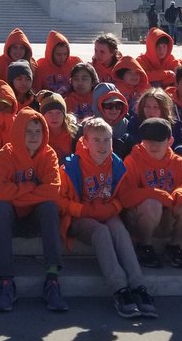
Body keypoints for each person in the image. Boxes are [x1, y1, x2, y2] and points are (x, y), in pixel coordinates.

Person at [58, 117, 158, 319]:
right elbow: (58, 200)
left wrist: (113, 207)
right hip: (79, 217)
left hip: (107, 211)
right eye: (97, 140)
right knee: (101, 231)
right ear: (85, 142)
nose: (103, 145)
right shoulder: (70, 167)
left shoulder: (117, 165)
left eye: (107, 140)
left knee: (119, 230)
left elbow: (123, 196)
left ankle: (138, 286)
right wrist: (83, 210)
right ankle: (119, 289)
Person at [0, 107, 67, 313]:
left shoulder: (48, 154)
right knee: (1, 207)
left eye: (38, 132)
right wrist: (30, 187)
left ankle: (52, 280)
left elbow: (52, 191)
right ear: (18, 132)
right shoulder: (5, 155)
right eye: (28, 131)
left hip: (35, 217)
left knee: (50, 206)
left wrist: (17, 193)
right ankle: (6, 282)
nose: (34, 137)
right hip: (11, 218)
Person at [118, 117, 182, 269]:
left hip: (169, 219)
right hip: (140, 222)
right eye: (148, 140)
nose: (153, 144)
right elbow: (125, 198)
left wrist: (178, 194)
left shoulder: (179, 162)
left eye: (159, 140)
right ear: (142, 141)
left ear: (170, 141)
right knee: (152, 203)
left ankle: (173, 246)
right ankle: (145, 247)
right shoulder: (132, 160)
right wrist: (156, 194)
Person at [34, 30, 80, 95]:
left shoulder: (75, 63)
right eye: (58, 54)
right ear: (51, 53)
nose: (62, 58)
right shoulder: (41, 65)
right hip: (50, 102)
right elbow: (36, 92)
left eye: (65, 54)